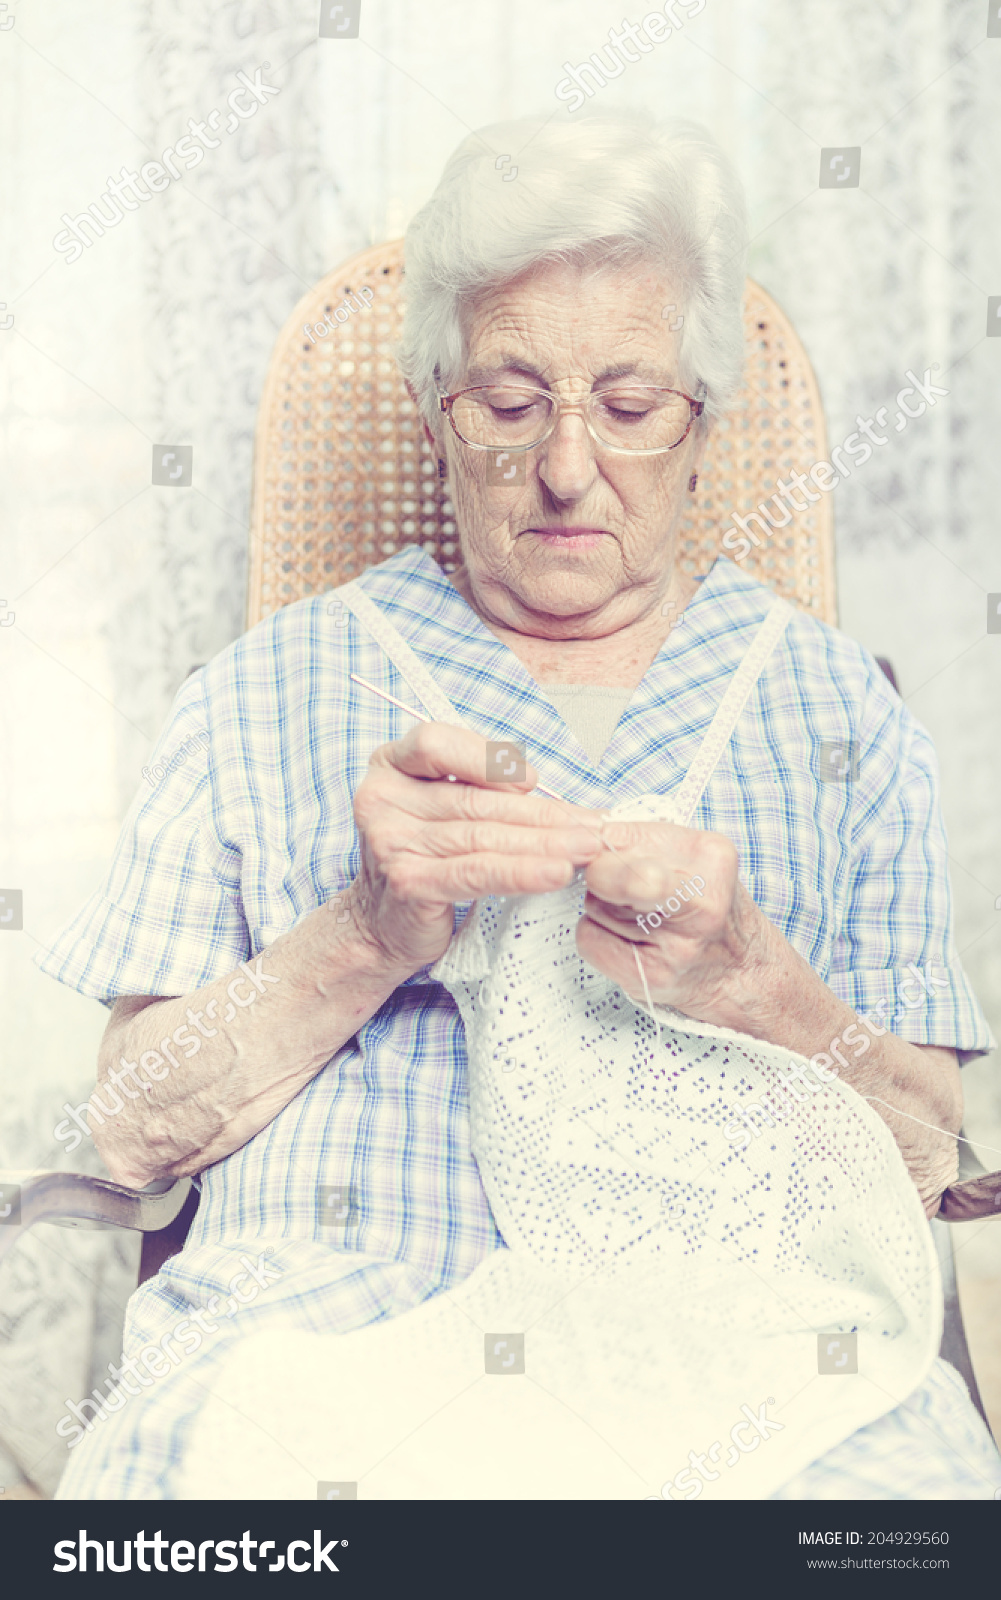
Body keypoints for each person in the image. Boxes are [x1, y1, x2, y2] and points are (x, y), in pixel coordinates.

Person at [39, 111, 1000, 1500]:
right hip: (325, 1330)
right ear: (436, 406)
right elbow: (122, 1130)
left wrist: (752, 987)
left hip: (751, 1352)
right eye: (508, 403)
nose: (565, 468)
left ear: (701, 422)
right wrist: (365, 935)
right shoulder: (261, 693)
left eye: (626, 407)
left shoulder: (842, 712)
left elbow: (928, 1157)